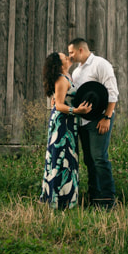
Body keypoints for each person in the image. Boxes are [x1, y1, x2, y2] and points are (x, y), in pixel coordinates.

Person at [67, 37, 119, 209]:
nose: (70, 56)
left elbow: (112, 93)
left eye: (71, 52)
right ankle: (94, 199)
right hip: (82, 122)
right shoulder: (76, 72)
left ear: (81, 50)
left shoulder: (100, 64)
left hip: (99, 120)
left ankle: (108, 200)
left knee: (99, 158)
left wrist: (107, 118)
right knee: (89, 160)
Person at [40, 51, 91, 210]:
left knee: (68, 159)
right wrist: (76, 111)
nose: (68, 58)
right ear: (60, 64)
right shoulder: (61, 80)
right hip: (62, 124)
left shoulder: (68, 77)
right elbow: (58, 105)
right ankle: (56, 201)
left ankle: (66, 200)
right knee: (59, 159)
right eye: (65, 57)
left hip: (69, 124)